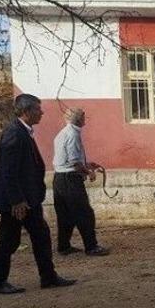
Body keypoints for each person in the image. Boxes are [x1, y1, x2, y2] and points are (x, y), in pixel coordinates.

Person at [0, 94, 77, 294]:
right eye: (38, 109)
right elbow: (8, 171)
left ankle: (48, 277)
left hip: (27, 200)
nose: (42, 112)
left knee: (41, 236)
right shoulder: (14, 133)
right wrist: (17, 201)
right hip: (18, 202)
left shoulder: (22, 131)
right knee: (10, 240)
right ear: (26, 112)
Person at [52, 108, 110, 256]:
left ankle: (64, 246)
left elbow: (68, 159)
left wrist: (87, 164)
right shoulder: (73, 134)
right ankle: (91, 247)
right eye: (83, 116)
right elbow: (74, 162)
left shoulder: (63, 132)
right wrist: (88, 172)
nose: (85, 119)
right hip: (70, 179)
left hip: (59, 178)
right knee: (85, 213)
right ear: (78, 119)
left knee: (65, 215)